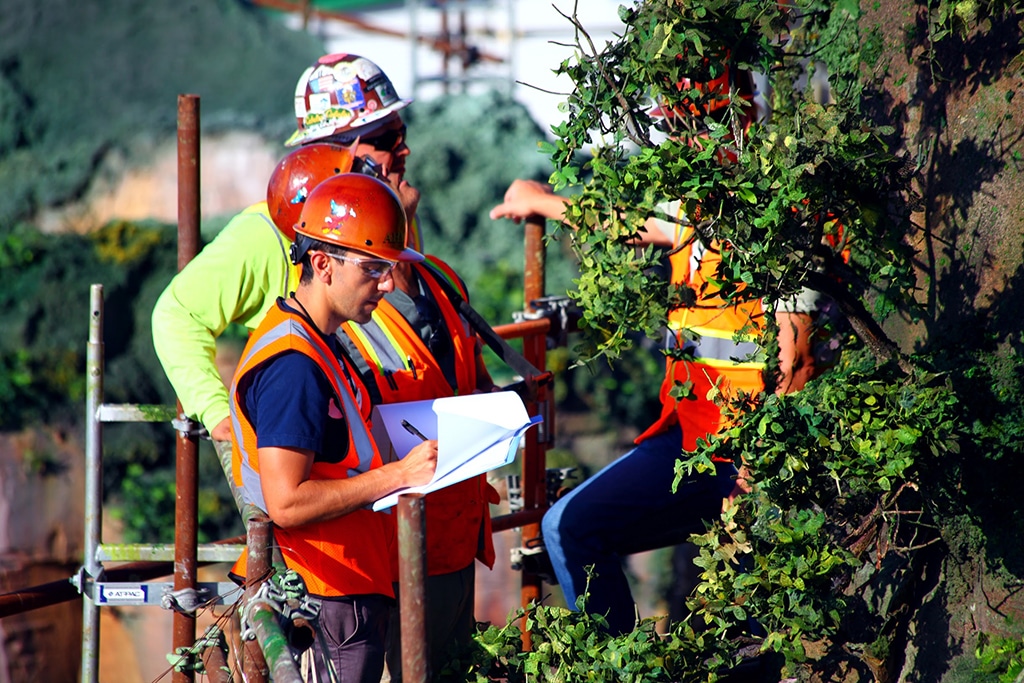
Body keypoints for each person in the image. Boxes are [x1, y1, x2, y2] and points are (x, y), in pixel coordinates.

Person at [489, 65, 836, 635]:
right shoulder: (700, 205)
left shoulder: (777, 213)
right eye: (671, 129)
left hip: (743, 459)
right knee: (566, 528)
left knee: (753, 628)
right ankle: (617, 668)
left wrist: (750, 482)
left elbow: (794, 360)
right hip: (690, 440)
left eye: (682, 128)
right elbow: (626, 223)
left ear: (727, 125)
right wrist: (543, 202)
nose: (674, 142)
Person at [228, 173, 438, 682]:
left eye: (389, 269)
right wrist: (398, 475)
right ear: (322, 264)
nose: (387, 284)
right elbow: (287, 502)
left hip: (340, 584)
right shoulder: (294, 366)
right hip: (327, 596)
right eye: (372, 269)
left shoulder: (315, 338)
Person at [151, 52, 420, 448]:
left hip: (407, 451)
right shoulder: (269, 233)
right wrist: (216, 412)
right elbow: (178, 315)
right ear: (335, 152)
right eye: (385, 141)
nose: (403, 151)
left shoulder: (395, 213)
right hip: (347, 468)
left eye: (401, 135)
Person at [337, 244, 501, 681]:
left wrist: (498, 413)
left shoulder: (440, 275)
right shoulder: (344, 301)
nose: (397, 172)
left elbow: (472, 376)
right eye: (379, 170)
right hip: (399, 546)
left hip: (459, 529)